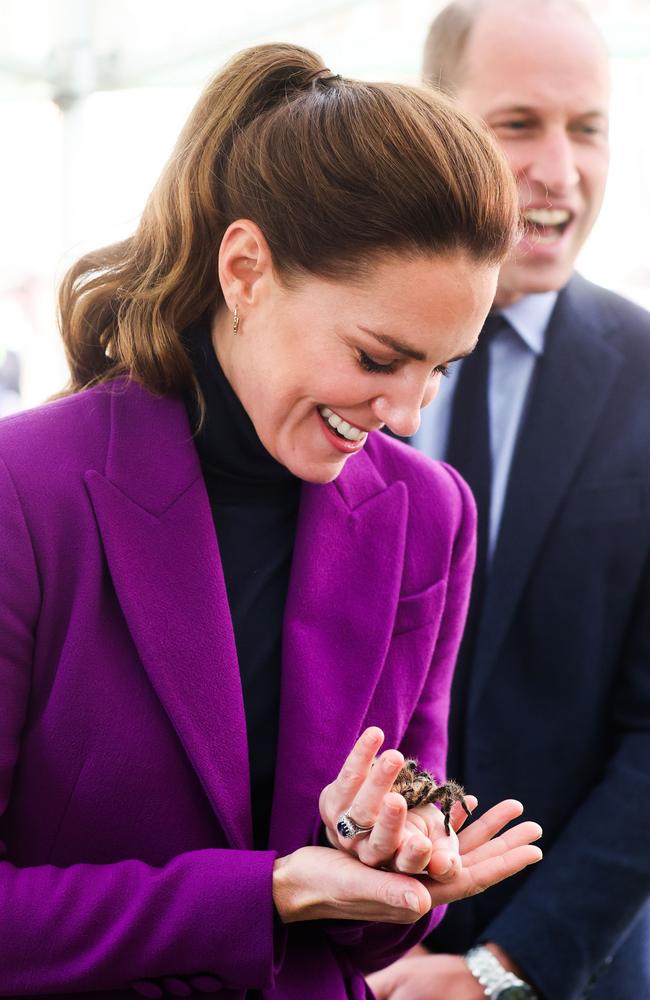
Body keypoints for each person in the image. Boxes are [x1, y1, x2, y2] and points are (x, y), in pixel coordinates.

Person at [0, 42, 544, 1000]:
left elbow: (358, 949)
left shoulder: (429, 513)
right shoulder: (25, 491)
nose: (408, 415)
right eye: (380, 357)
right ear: (245, 270)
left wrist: (389, 865)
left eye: (441, 369)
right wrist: (272, 891)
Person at [368, 2, 650, 999]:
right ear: (434, 123)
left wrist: (499, 969)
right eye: (518, 123)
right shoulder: (330, 359)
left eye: (586, 128)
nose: (557, 171)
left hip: (563, 970)